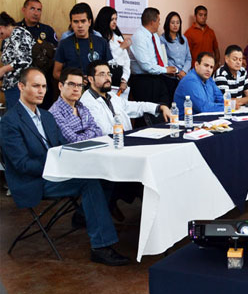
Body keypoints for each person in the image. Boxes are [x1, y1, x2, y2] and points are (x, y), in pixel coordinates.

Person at [0, 67, 129, 265]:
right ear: (21, 86)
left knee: (103, 174)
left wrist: (67, 163)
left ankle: (88, 217)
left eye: (44, 86)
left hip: (56, 171)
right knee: (89, 183)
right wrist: (56, 165)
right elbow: (21, 164)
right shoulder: (9, 121)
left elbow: (63, 147)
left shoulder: (46, 116)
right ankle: (101, 246)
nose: (41, 91)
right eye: (35, 86)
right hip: (33, 181)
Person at [81, 61, 171, 134]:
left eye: (108, 74)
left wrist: (160, 107)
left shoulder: (111, 96)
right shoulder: (87, 102)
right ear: (91, 79)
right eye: (102, 74)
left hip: (124, 139)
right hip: (110, 144)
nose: (107, 78)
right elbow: (103, 130)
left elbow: (134, 106)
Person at [128, 7, 177, 107]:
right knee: (148, 111)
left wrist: (168, 69)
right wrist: (165, 70)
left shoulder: (154, 36)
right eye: (158, 21)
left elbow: (159, 58)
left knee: (165, 105)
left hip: (157, 76)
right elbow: (146, 66)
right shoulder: (138, 37)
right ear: (152, 22)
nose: (159, 24)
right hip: (143, 80)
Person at [17, 0, 58, 109]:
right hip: (21, 81)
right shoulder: (16, 29)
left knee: (44, 111)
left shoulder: (47, 30)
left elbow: (56, 54)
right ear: (24, 10)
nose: (36, 13)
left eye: (39, 10)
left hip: (44, 80)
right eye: (32, 9)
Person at [53, 3, 111, 79]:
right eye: (76, 22)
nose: (80, 25)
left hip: (97, 85)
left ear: (89, 22)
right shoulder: (64, 44)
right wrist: (75, 80)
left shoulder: (102, 42)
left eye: (83, 21)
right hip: (74, 85)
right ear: (71, 23)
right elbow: (56, 73)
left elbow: (109, 70)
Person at [49, 67, 103, 143]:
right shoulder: (55, 112)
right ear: (60, 86)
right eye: (71, 84)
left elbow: (98, 131)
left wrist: (84, 135)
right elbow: (74, 140)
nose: (76, 89)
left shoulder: (81, 107)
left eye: (80, 85)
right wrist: (91, 133)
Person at [0, 11, 34, 109]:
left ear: (1, 27)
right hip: (11, 86)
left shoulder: (20, 34)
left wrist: (4, 69)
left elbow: (24, 60)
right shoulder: (8, 38)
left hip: (20, 86)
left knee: (19, 116)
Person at [94, 6, 131, 95]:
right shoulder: (99, 38)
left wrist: (124, 79)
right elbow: (108, 58)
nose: (115, 22)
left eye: (116, 19)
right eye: (112, 19)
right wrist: (121, 48)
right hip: (106, 77)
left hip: (120, 78)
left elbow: (126, 60)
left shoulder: (118, 37)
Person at [160, 11, 192, 80]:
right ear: (168, 24)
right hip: (170, 76)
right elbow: (165, 59)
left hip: (184, 75)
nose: (175, 25)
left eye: (177, 23)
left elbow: (188, 58)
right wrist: (177, 72)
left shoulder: (184, 39)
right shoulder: (162, 39)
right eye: (172, 23)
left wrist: (184, 71)